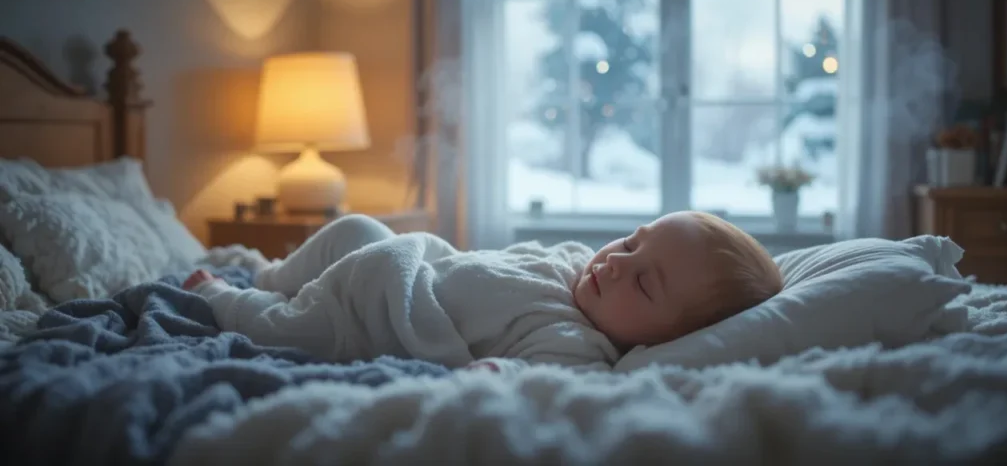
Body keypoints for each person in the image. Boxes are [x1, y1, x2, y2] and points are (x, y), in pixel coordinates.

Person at [184, 211, 782, 373]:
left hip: (370, 318)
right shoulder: (579, 265)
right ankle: (265, 275)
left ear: (664, 338)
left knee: (289, 327)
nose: (618, 265)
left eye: (645, 282)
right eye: (630, 243)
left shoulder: (574, 343)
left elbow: (544, 380)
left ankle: (225, 296)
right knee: (354, 226)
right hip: (398, 254)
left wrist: (498, 375)